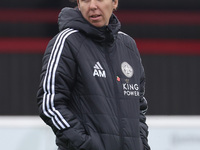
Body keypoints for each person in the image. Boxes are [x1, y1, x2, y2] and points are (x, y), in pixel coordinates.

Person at [37, 0, 151, 150]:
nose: (92, 6)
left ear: (114, 2)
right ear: (78, 3)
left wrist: (141, 144)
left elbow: (139, 107)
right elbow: (50, 104)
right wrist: (85, 144)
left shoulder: (128, 45)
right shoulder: (66, 42)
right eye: (85, 0)